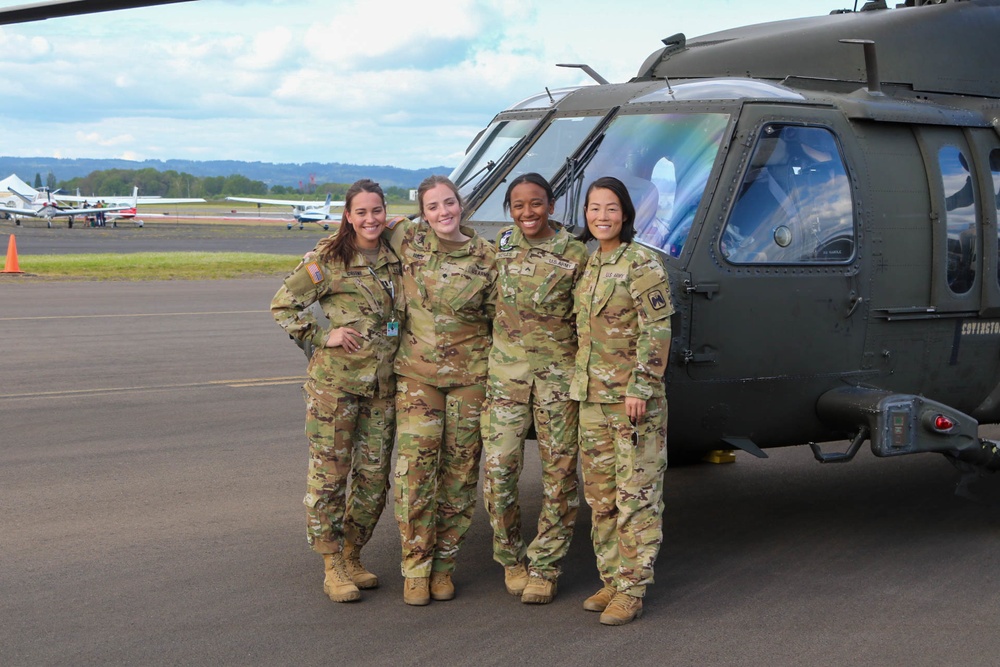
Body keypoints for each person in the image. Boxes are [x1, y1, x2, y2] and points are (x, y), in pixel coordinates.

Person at [270, 178, 404, 603]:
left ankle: (352, 553)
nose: (370, 219)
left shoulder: (396, 256)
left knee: (373, 479)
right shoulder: (327, 259)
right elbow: (282, 304)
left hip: (382, 388)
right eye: (361, 212)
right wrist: (319, 335)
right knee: (330, 478)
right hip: (336, 387)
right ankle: (331, 564)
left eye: (377, 210)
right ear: (348, 215)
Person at [387, 175, 497, 606]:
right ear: (422, 212)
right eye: (432, 207)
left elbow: (499, 316)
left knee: (460, 473)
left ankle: (444, 566)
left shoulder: (487, 257)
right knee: (414, 471)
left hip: (470, 377)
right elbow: (362, 231)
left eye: (448, 203)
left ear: (461, 203)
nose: (442, 213)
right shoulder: (408, 238)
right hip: (418, 375)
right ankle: (415, 567)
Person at [481, 172, 588, 604]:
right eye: (519, 205)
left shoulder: (575, 253)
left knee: (559, 476)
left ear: (552, 205)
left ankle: (545, 565)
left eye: (536, 203)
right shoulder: (501, 247)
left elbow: (587, 320)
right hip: (507, 377)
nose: (528, 212)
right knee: (498, 472)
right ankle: (511, 558)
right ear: (510, 209)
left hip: (557, 381)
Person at [571, 176, 673, 626]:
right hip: (592, 398)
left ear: (626, 214)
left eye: (610, 208)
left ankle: (632, 587)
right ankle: (612, 577)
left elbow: (659, 330)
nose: (601, 217)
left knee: (637, 494)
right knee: (601, 497)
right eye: (594, 208)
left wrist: (642, 386)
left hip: (631, 400)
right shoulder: (590, 264)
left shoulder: (642, 263)